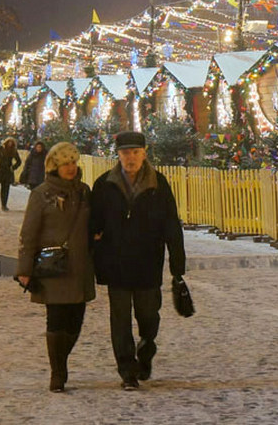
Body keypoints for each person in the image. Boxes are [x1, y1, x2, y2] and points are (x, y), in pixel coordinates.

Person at [90, 131, 187, 390]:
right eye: (125, 152)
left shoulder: (158, 184)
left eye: (135, 152)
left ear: (145, 153)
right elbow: (93, 224)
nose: (130, 157)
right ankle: (127, 371)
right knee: (119, 321)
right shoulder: (104, 184)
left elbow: (171, 225)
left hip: (148, 263)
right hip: (116, 264)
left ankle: (147, 346)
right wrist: (96, 255)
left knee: (149, 316)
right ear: (118, 155)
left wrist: (178, 265)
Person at [16, 141, 95, 393]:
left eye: (73, 162)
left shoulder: (84, 191)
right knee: (56, 320)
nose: (70, 168)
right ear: (54, 166)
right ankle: (58, 373)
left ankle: (61, 361)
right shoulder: (41, 194)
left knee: (75, 323)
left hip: (80, 267)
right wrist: (24, 269)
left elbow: (94, 223)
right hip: (54, 268)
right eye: (65, 164)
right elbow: (28, 234)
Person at [0, 137, 23, 211]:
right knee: (3, 188)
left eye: (11, 143)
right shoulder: (1, 149)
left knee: (6, 188)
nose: (10, 144)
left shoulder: (14, 151)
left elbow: (19, 161)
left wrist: (13, 167)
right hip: (1, 170)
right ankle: (3, 204)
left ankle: (4, 204)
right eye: (9, 142)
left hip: (8, 171)